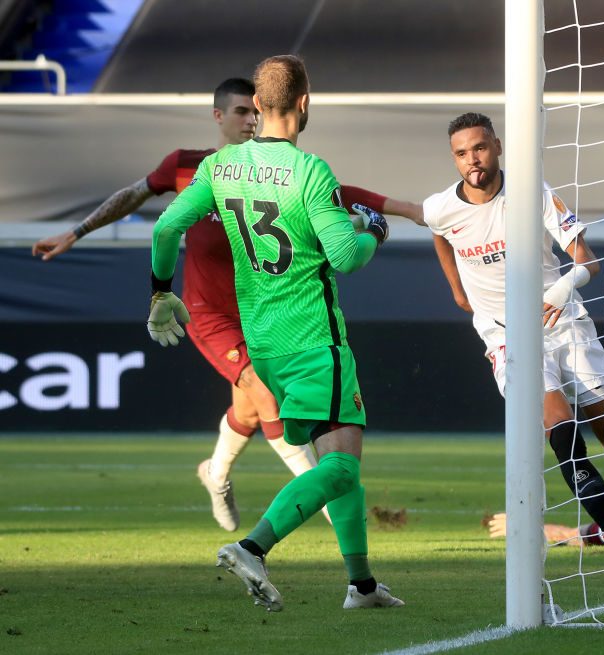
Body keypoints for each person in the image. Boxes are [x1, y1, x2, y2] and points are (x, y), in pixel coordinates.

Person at [32, 78, 419, 534]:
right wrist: (75, 232)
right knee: (264, 393)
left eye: (253, 112)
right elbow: (134, 196)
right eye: (240, 112)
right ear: (218, 116)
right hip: (207, 311)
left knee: (250, 411)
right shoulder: (190, 167)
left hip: (260, 313)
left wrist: (410, 209)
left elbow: (342, 191)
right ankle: (327, 500)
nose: (250, 120)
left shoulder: (281, 171)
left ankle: (215, 472)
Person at [147, 55, 401, 612]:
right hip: (314, 341)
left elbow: (166, 228)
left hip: (265, 346)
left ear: (258, 105)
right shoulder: (311, 171)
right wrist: (375, 231)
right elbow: (346, 257)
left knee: (339, 464)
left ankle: (362, 587)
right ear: (305, 103)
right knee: (341, 466)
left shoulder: (220, 166)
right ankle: (252, 547)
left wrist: (160, 290)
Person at [420, 112, 604, 585]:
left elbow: (586, 260)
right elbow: (435, 226)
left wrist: (562, 288)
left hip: (565, 324)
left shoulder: (532, 192)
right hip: (507, 336)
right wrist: (457, 288)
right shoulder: (443, 206)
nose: (471, 160)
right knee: (563, 435)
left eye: (479, 148)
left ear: (497, 146)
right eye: (461, 153)